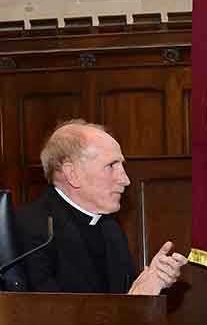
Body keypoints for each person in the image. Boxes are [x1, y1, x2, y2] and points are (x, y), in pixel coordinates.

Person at [15, 120, 186, 294]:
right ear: (72, 174)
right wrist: (135, 298)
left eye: (121, 166)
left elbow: (123, 306)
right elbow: (46, 315)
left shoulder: (110, 229)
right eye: (111, 166)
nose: (125, 180)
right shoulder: (30, 232)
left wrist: (151, 283)